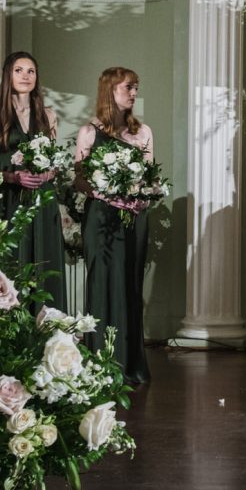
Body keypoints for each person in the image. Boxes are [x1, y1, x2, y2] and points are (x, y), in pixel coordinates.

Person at [77, 67, 154, 385]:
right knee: (103, 284)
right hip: (101, 219)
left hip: (132, 218)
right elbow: (79, 179)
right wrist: (104, 190)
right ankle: (99, 362)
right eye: (128, 88)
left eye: (136, 88)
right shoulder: (89, 132)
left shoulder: (144, 131)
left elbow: (151, 178)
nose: (133, 93)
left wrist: (142, 195)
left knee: (130, 286)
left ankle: (129, 364)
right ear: (110, 91)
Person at [0, 51, 67, 309]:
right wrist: (10, 176)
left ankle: (48, 331)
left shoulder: (48, 115)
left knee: (46, 263)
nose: (26, 76)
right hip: (10, 200)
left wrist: (49, 173)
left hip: (43, 199)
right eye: (19, 70)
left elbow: (54, 161)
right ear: (8, 75)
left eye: (31, 71)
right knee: (12, 263)